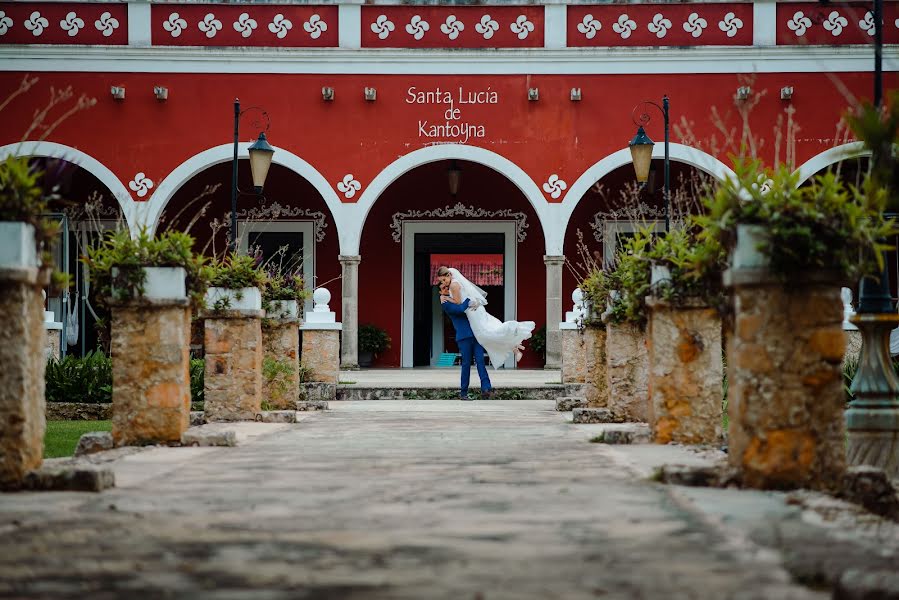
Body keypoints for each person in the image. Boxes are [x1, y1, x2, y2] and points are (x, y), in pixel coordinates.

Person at [436, 265, 536, 370]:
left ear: (449, 275)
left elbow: (458, 302)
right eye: (442, 281)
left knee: (485, 335)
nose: (444, 282)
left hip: (472, 312)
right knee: (491, 330)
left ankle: (514, 340)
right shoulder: (455, 281)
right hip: (475, 309)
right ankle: (514, 347)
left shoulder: (453, 285)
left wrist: (445, 297)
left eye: (444, 279)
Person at [439, 281, 493, 401]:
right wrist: (469, 298)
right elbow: (460, 309)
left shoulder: (458, 298)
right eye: (443, 289)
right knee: (466, 364)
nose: (446, 290)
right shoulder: (445, 303)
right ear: (440, 292)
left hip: (475, 334)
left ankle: (486, 388)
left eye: (447, 287)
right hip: (464, 337)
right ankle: (463, 392)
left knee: (480, 361)